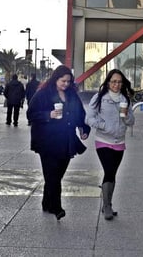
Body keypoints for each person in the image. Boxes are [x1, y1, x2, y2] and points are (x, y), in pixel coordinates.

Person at [26, 65, 90, 220]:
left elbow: (80, 114)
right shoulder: (43, 94)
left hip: (66, 139)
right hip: (47, 141)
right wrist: (49, 115)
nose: (66, 84)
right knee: (52, 175)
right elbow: (31, 114)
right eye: (63, 81)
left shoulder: (72, 95)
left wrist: (83, 128)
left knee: (56, 174)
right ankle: (56, 206)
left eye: (68, 81)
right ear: (56, 79)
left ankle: (47, 202)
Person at [85, 69, 135, 220]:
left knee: (112, 173)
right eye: (113, 81)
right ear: (108, 82)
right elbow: (89, 118)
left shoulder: (125, 99)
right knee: (109, 171)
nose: (116, 84)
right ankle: (107, 206)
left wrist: (126, 116)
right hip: (103, 141)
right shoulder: (99, 97)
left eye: (119, 82)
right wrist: (102, 125)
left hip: (119, 142)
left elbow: (132, 122)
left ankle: (107, 202)